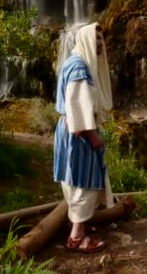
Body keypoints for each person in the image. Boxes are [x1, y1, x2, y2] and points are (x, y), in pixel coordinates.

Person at [54, 22, 114, 253]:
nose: (100, 44)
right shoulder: (79, 67)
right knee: (84, 182)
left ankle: (77, 224)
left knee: (74, 179)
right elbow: (77, 106)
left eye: (102, 40)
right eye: (96, 39)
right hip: (78, 133)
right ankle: (76, 237)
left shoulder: (73, 62)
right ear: (85, 40)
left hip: (71, 130)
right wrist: (92, 136)